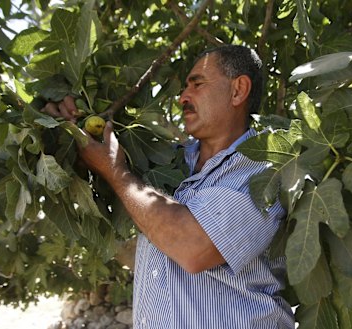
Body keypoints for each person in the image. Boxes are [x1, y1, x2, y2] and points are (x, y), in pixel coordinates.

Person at [43, 45, 295, 328]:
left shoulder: (267, 168)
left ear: (238, 90)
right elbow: (92, 163)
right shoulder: (169, 158)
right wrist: (62, 122)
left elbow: (194, 247)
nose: (182, 97)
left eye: (197, 84)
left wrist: (116, 172)